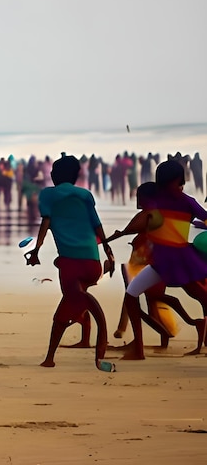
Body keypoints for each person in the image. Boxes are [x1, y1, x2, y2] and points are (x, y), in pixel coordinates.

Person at [24, 154, 115, 370]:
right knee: (78, 296)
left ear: (54, 175)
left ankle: (50, 358)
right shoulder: (85, 195)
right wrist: (108, 249)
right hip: (93, 263)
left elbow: (46, 222)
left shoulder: (48, 195)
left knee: (68, 306)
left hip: (71, 264)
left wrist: (36, 250)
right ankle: (85, 339)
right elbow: (96, 224)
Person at [118, 159, 207, 359]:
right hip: (170, 261)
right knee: (132, 294)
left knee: (132, 294)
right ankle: (138, 349)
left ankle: (138, 349)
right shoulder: (186, 201)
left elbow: (143, 217)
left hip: (174, 260)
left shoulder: (159, 200)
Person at [108, 182, 201, 347]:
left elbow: (128, 230)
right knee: (149, 302)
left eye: (139, 197)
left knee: (139, 297)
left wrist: (104, 240)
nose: (137, 200)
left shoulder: (149, 213)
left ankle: (145, 340)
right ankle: (163, 336)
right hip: (151, 262)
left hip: (150, 263)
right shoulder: (160, 213)